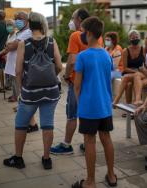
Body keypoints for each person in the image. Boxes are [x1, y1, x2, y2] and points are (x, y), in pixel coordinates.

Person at [3, 12, 62, 170]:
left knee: (21, 124)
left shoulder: (24, 43)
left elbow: (18, 71)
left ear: (29, 24)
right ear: (43, 24)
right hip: (51, 92)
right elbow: (60, 66)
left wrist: (21, 90)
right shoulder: (51, 41)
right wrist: (50, 77)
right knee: (48, 125)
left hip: (30, 92)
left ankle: (18, 159)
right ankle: (46, 159)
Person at [50, 8, 103, 155]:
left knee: (72, 114)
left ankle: (66, 144)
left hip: (77, 82)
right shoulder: (99, 37)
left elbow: (72, 61)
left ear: (79, 19)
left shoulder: (75, 35)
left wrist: (66, 76)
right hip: (92, 82)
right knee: (90, 114)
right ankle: (88, 143)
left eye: (73, 17)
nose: (71, 21)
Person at [72, 16, 117, 188]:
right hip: (105, 105)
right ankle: (111, 176)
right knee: (106, 138)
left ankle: (90, 182)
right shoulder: (107, 55)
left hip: (89, 107)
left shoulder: (83, 56)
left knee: (89, 141)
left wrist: (80, 104)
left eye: (82, 32)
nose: (81, 34)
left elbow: (77, 86)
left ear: (89, 33)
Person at [6, 11, 39, 133]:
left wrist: (9, 45)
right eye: (15, 18)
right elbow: (9, 45)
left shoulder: (28, 32)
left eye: (19, 18)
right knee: (24, 98)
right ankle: (31, 123)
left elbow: (11, 46)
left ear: (27, 20)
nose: (16, 20)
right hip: (18, 69)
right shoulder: (19, 32)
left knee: (26, 98)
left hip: (24, 70)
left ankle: (32, 124)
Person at [113, 30, 145, 105]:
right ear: (129, 39)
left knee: (128, 80)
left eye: (136, 37)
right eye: (133, 38)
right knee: (129, 84)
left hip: (140, 73)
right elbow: (125, 68)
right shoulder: (125, 51)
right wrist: (135, 71)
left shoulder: (143, 49)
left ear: (139, 38)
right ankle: (128, 106)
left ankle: (117, 100)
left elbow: (146, 64)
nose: (135, 39)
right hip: (129, 72)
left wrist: (141, 71)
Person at [0, 19, 18, 102]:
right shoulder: (8, 36)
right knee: (11, 77)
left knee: (15, 78)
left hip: (15, 59)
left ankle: (16, 96)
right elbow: (7, 46)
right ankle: (14, 94)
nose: (9, 27)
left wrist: (2, 52)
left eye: (11, 25)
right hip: (9, 59)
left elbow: (10, 46)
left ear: (14, 26)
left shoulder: (17, 35)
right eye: (7, 25)